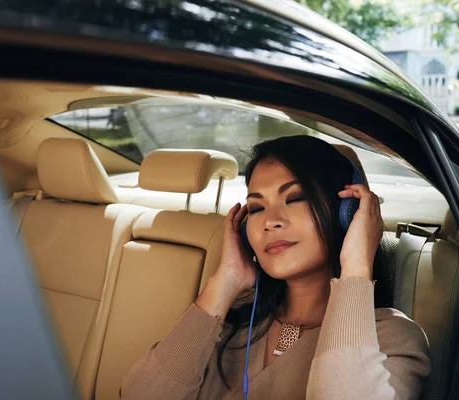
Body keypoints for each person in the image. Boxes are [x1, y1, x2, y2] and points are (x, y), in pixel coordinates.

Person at [121, 135, 431, 399]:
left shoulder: (393, 337)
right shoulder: (230, 318)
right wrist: (226, 281)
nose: (270, 221)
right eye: (256, 207)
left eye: (295, 198)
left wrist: (356, 264)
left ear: (346, 213)